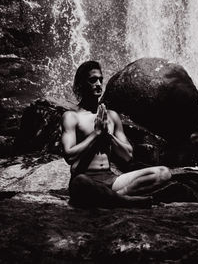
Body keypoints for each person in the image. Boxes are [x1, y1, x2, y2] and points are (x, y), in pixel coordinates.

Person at [61, 61, 171, 208]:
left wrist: (109, 136)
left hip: (111, 180)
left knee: (164, 173)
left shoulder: (111, 116)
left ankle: (119, 197)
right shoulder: (71, 116)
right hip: (86, 179)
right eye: (93, 80)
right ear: (81, 84)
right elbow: (69, 156)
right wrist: (96, 134)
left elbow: (128, 156)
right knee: (80, 182)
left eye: (101, 79)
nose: (99, 84)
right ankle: (125, 200)